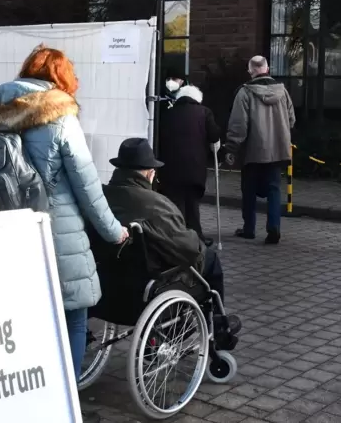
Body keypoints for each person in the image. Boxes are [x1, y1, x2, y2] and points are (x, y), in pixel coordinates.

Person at [0, 45, 128, 383]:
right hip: (57, 229)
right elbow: (86, 184)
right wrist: (114, 231)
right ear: (60, 77)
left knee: (30, 314)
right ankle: (66, 399)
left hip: (8, 227)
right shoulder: (60, 116)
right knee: (73, 314)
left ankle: (32, 387)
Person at [100, 138, 241, 342]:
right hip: (145, 289)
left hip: (107, 287)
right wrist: (198, 241)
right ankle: (219, 327)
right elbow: (188, 248)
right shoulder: (155, 204)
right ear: (150, 173)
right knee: (209, 260)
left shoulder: (101, 198)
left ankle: (171, 332)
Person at [224, 55, 295, 245]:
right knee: (273, 189)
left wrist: (231, 147)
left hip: (253, 151)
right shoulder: (283, 92)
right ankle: (274, 227)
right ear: (267, 68)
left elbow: (239, 124)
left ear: (250, 71)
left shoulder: (245, 93)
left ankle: (249, 229)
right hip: (278, 150)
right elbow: (291, 120)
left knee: (249, 190)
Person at [158, 83, 220, 246]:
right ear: (197, 99)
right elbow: (214, 135)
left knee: (175, 203)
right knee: (192, 203)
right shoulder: (205, 112)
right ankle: (196, 238)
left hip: (170, 168)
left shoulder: (167, 113)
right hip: (195, 167)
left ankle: (175, 237)